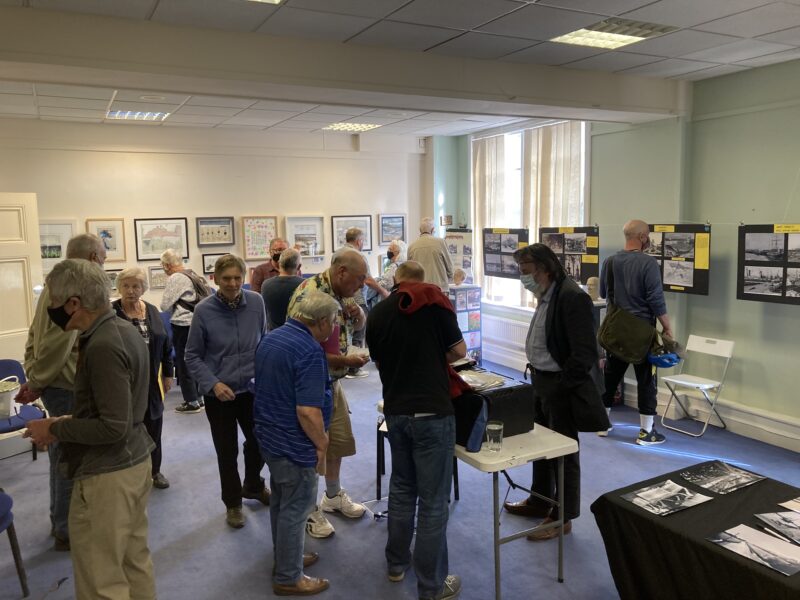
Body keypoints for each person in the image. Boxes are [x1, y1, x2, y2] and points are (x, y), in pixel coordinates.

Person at [24, 259, 156, 599]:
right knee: (132, 561)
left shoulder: (102, 345)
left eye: (51, 301)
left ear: (73, 304)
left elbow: (112, 427)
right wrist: (60, 423)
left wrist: (57, 428)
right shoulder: (120, 329)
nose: (48, 308)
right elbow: (115, 413)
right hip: (132, 462)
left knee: (101, 579)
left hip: (110, 473)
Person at [366, 260, 466, 600]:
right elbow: (459, 352)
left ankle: (396, 565)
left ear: (396, 280)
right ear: (422, 280)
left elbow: (379, 361)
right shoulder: (436, 304)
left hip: (396, 411)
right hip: (433, 413)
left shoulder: (378, 313)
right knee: (434, 502)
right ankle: (432, 586)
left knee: (403, 488)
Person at [503, 243, 608, 542]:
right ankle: (540, 500)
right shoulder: (546, 293)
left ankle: (563, 516)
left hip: (560, 385)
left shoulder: (571, 297)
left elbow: (585, 352)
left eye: (525, 272)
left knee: (564, 452)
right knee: (541, 447)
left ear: (544, 269)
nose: (522, 278)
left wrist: (562, 386)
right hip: (541, 382)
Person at [15, 233, 106, 552]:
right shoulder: (76, 285)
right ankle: (67, 528)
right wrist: (37, 380)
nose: (105, 262)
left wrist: (32, 371)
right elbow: (59, 341)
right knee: (70, 456)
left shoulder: (54, 281)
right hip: (65, 384)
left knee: (60, 454)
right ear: (94, 257)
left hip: (53, 380)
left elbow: (33, 334)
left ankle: (62, 522)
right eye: (104, 256)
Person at [254, 291, 340, 597]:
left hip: (269, 437)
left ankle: (285, 557)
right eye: (332, 322)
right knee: (296, 508)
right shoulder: (308, 350)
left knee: (280, 501)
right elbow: (307, 410)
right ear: (320, 322)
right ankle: (289, 577)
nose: (333, 328)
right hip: (294, 443)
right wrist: (322, 443)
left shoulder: (272, 337)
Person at [287, 248, 370, 539]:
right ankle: (308, 509)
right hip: (309, 385)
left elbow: (358, 327)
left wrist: (358, 314)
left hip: (333, 382)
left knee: (338, 442)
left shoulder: (344, 293)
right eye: (358, 279)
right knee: (313, 448)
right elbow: (301, 350)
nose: (361, 285)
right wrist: (346, 362)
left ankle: (332, 497)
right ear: (341, 272)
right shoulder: (308, 295)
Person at [185, 254, 271, 528]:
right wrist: (213, 383)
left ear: (244, 277)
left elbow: (265, 340)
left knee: (260, 443)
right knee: (227, 451)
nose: (233, 284)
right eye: (226, 279)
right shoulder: (203, 310)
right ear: (215, 279)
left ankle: (254, 486)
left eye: (237, 278)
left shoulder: (257, 302)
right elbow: (192, 356)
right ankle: (233, 503)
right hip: (219, 395)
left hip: (252, 390)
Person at [600, 219, 673, 445]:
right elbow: (655, 300)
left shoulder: (610, 262)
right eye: (648, 235)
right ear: (642, 237)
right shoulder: (648, 264)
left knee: (610, 377)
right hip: (642, 333)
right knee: (646, 381)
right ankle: (646, 433)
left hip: (615, 331)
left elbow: (603, 293)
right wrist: (667, 326)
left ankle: (602, 424)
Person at [113, 267, 174, 490]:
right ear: (119, 288)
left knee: (154, 424)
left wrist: (168, 373)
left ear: (143, 288)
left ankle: (154, 471)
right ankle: (127, 472)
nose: (131, 291)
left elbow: (165, 344)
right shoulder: (112, 313)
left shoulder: (152, 310)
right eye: (126, 286)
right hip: (123, 383)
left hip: (151, 381)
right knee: (127, 427)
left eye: (136, 286)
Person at [160, 248, 204, 415]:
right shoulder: (191, 273)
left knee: (183, 362)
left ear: (168, 265)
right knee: (196, 360)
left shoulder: (176, 277)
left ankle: (191, 402)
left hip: (182, 324)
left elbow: (164, 305)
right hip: (197, 323)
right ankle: (199, 397)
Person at [343, 227, 387, 378]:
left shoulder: (339, 254)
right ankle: (354, 368)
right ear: (359, 241)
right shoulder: (358, 256)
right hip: (357, 299)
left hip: (342, 298)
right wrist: (384, 291)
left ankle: (347, 365)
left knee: (347, 331)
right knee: (359, 331)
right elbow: (367, 279)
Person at [261, 247, 304, 332]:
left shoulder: (266, 285)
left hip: (274, 334)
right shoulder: (306, 285)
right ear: (299, 267)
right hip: (298, 334)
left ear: (279, 264)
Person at [407, 217, 454, 292]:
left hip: (419, 290)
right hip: (439, 289)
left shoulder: (411, 247)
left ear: (420, 230)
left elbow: (409, 272)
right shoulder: (441, 242)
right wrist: (450, 278)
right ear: (432, 230)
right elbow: (449, 267)